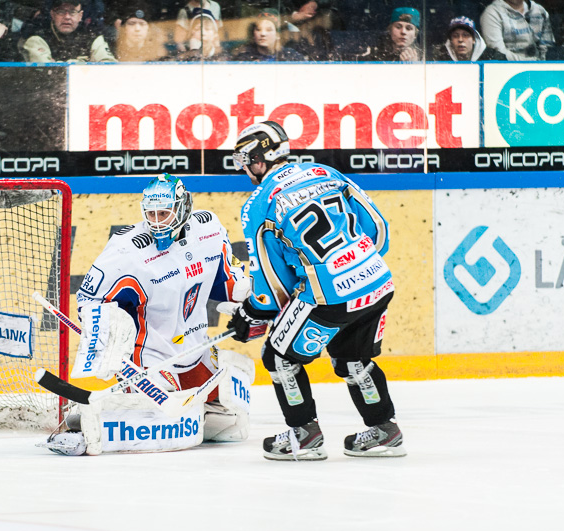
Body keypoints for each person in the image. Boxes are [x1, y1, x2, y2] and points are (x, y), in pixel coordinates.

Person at [227, 120, 405, 460]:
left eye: (245, 159)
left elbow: (271, 284)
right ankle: (385, 430)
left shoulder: (259, 202)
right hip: (377, 281)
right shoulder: (325, 172)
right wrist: (357, 265)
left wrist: (252, 313)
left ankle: (304, 434)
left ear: (260, 159)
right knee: (353, 356)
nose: (245, 168)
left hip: (331, 296)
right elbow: (377, 228)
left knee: (278, 356)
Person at [43, 173, 253, 456]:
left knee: (230, 427)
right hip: (150, 361)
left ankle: (170, 407)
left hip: (196, 351)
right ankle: (80, 422)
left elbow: (227, 281)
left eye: (164, 213)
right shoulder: (126, 250)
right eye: (151, 214)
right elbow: (89, 299)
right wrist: (107, 338)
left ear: (183, 207)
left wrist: (247, 302)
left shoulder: (209, 229)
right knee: (161, 430)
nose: (157, 221)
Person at [20, 0, 116, 62]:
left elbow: (108, 66)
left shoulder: (92, 36)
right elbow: (47, 75)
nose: (67, 17)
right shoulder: (37, 38)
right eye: (61, 12)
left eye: (72, 12)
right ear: (53, 15)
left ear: (80, 16)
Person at [479, 0, 554, 60]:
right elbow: (498, 53)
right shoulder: (492, 13)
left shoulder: (540, 11)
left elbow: (547, 48)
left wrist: (542, 66)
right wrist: (531, 63)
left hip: (538, 69)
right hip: (507, 70)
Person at [232, 9, 304, 61]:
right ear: (253, 33)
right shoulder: (244, 59)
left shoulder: (291, 57)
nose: (263, 34)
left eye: (269, 30)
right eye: (258, 29)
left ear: (277, 34)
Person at [432, 15, 507, 61]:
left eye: (465, 35)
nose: (460, 40)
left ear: (474, 39)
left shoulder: (493, 57)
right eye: (455, 36)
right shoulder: (440, 59)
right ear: (450, 41)